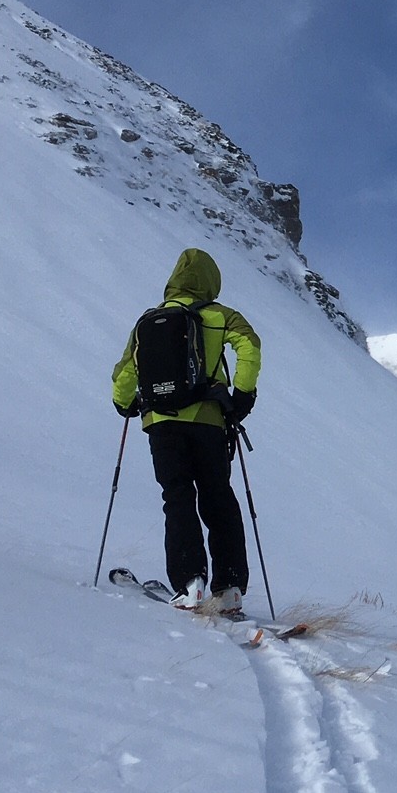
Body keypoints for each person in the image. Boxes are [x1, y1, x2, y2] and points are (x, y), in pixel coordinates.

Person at [111, 248, 261, 613]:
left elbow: (125, 373)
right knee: (218, 497)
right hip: (208, 422)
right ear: (211, 281)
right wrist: (242, 396)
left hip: (161, 424)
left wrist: (124, 403)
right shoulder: (220, 315)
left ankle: (190, 583)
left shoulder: (148, 321)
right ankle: (229, 589)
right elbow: (250, 345)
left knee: (177, 497)